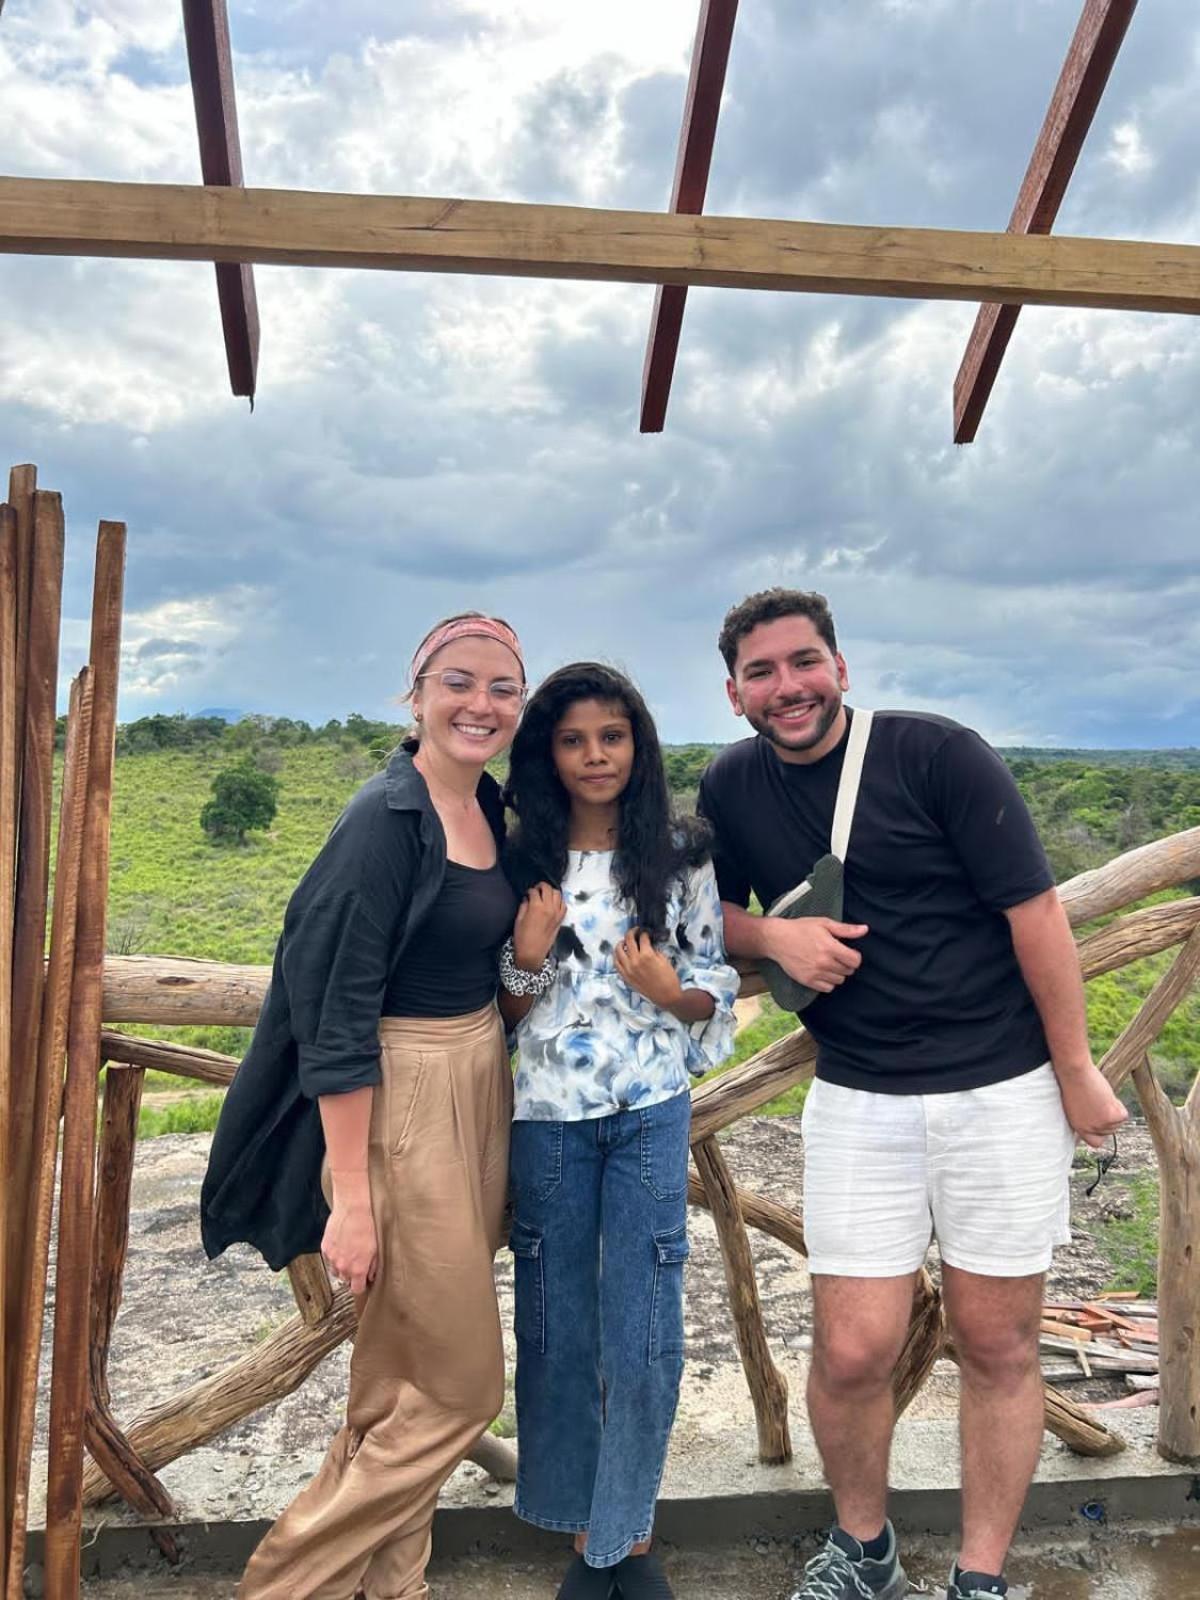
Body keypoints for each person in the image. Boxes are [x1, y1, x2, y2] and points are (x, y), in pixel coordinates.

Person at [696, 589, 1128, 1600]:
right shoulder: (733, 783)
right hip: (859, 1097)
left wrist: (1076, 1070)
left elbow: (1036, 917)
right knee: (852, 1349)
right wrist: (770, 937)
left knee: (996, 1340)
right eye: (761, 672)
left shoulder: (936, 754)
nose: (786, 686)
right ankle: (864, 1547)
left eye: (803, 662)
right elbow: (693, 913)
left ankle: (979, 1575)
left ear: (840, 668)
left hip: (1003, 1089)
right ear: (733, 693)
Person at [200, 611, 527, 1600]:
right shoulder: (385, 821)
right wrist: (352, 1193)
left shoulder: (489, 809)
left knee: (399, 1379)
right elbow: (333, 1013)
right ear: (416, 691)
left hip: (477, 1076)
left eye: (503, 687)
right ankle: (283, 1585)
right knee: (467, 1387)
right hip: (404, 1097)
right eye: (460, 681)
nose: (481, 703)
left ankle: (398, 1585)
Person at [500, 663, 739, 1600]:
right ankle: (580, 1530)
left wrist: (666, 991)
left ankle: (624, 1542)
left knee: (644, 1326)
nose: (595, 755)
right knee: (557, 1325)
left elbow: (710, 977)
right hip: (548, 1118)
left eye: (612, 736)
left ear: (638, 745)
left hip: (647, 1112)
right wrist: (525, 960)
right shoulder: (519, 856)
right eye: (572, 739)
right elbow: (502, 1016)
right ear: (547, 753)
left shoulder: (678, 852)